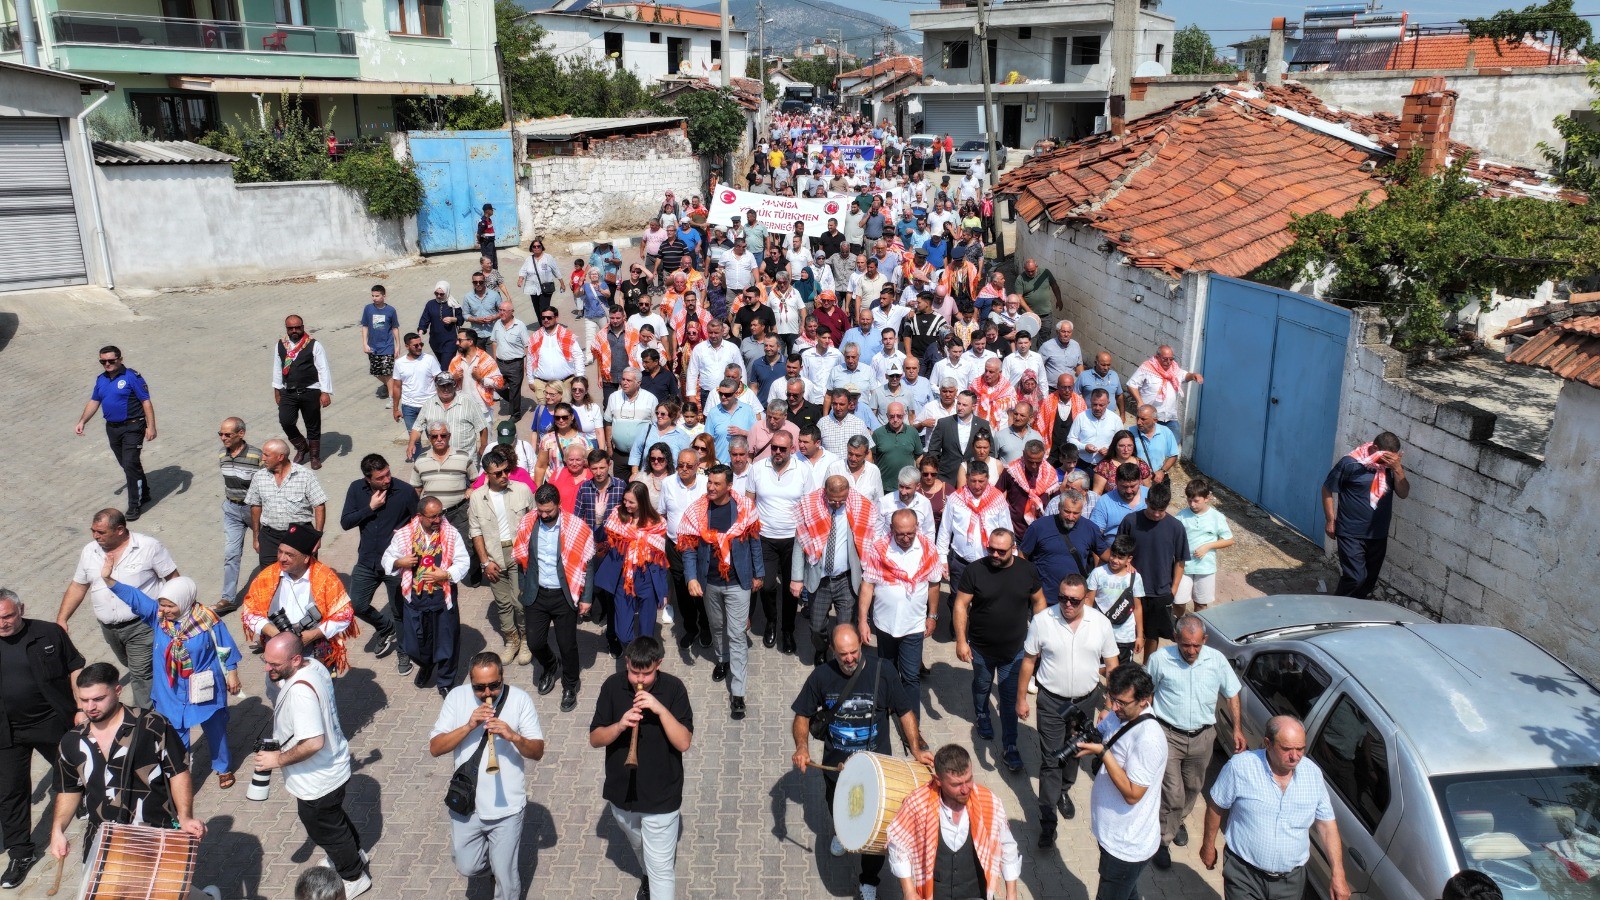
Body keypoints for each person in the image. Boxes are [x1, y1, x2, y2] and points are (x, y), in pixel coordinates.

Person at [792, 625, 932, 900]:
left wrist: (915, 746)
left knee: (876, 828)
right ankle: (842, 832)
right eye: (843, 654)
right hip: (836, 770)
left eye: (854, 652)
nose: (849, 659)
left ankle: (869, 879)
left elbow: (904, 710)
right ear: (833, 651)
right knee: (839, 809)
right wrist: (801, 746)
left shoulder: (884, 672)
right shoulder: (821, 676)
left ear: (861, 646)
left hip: (877, 773)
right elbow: (802, 715)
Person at [49, 664, 204, 870]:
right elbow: (69, 790)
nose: (90, 707)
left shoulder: (153, 725)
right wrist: (58, 830)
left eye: (98, 699)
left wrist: (184, 816)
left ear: (118, 691)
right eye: (84, 700)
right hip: (103, 841)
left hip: (155, 832)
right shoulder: (72, 741)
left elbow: (178, 772)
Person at [98, 569, 241, 789]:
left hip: (204, 688)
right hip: (171, 691)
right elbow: (136, 597)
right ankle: (179, 779)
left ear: (184, 602)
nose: (164, 610)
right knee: (174, 737)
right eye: (162, 604)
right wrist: (110, 580)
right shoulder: (159, 619)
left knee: (215, 728)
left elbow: (224, 646)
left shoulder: (208, 620)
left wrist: (232, 672)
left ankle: (222, 767)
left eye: (170, 606)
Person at [254, 633, 371, 898]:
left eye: (274, 664)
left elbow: (313, 743)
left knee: (325, 828)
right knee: (334, 820)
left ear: (295, 659)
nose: (267, 668)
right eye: (266, 660)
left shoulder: (299, 694)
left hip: (318, 779)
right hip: (332, 768)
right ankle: (354, 854)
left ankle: (353, 876)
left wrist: (277, 759)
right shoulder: (313, 665)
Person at [429, 652, 545, 900]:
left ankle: (502, 872)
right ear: (470, 682)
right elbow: (435, 748)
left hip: (507, 809)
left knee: (507, 878)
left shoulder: (520, 700)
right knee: (466, 865)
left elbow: (537, 751)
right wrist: (468, 726)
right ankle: (493, 863)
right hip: (467, 805)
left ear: (503, 677)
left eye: (494, 685)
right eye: (479, 688)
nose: (488, 693)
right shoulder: (456, 698)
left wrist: (513, 736)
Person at [1015, 574, 1117, 847]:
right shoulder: (1042, 621)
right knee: (1051, 759)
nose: (1067, 604)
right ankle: (1047, 821)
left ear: (1086, 598)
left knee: (1074, 754)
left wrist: (1110, 705)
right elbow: (1028, 661)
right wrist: (1021, 698)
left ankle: (1064, 790)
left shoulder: (1101, 624)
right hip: (1051, 702)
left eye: (1074, 600)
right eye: (1062, 598)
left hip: (1085, 702)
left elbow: (1113, 665)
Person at [588, 636, 693, 900]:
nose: (639, 679)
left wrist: (659, 710)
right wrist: (620, 725)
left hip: (661, 798)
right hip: (622, 795)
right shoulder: (612, 687)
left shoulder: (674, 689)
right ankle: (646, 873)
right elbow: (595, 739)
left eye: (646, 673)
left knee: (661, 869)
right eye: (634, 671)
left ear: (659, 664)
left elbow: (683, 742)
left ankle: (653, 880)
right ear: (626, 663)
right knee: (640, 847)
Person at [1201, 715, 1350, 900]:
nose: (1295, 756)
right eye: (1287, 749)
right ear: (1267, 743)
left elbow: (1327, 826)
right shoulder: (1241, 768)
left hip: (1290, 882)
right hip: (1244, 874)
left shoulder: (1313, 775)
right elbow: (1217, 805)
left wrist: (1338, 874)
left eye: (1300, 749)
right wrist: (1208, 845)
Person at [0, 590, 83, 889]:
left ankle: (88, 807)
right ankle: (21, 853)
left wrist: (80, 706)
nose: (3, 623)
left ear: (21, 608)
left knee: (77, 770)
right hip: (7, 731)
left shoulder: (48, 633)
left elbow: (75, 664)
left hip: (51, 721)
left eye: (8, 615)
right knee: (10, 793)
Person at [1147, 614, 1244, 870]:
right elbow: (1146, 694)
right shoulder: (1159, 660)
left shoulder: (1217, 661)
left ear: (1205, 640)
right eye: (1186, 645)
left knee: (1193, 786)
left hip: (1202, 737)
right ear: (1176, 638)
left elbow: (1232, 693)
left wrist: (1237, 729)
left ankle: (1177, 821)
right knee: (1173, 792)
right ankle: (1162, 840)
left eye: (1197, 645)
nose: (1191, 651)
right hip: (1168, 735)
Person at [59, 509, 177, 710]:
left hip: (142, 626)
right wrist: (62, 618)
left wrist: (174, 612)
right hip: (109, 629)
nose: (95, 536)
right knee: (132, 665)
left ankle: (145, 723)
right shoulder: (90, 551)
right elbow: (78, 585)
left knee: (141, 675)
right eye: (93, 531)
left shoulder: (148, 547)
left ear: (120, 530)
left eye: (101, 532)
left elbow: (173, 580)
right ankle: (164, 690)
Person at [952, 528, 1045, 773]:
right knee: (982, 685)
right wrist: (961, 641)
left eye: (1000, 551)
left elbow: (1039, 602)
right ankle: (982, 715)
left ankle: (1010, 745)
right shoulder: (975, 570)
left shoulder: (1027, 571)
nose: (994, 553)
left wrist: (1042, 638)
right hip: (981, 648)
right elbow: (961, 605)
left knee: (1008, 698)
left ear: (1013, 548)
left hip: (1015, 650)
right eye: (990, 548)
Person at [884, 743, 1022, 900]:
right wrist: (909, 890)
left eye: (968, 780)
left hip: (976, 894)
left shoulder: (988, 802)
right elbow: (898, 845)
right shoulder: (917, 803)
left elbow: (1008, 847)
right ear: (938, 780)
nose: (965, 789)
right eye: (956, 784)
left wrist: (1012, 894)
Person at [678, 464, 762, 719]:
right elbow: (689, 548)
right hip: (710, 583)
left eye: (717, 484)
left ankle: (738, 693)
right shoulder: (698, 510)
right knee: (716, 627)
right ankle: (722, 659)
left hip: (738, 582)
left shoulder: (745, 509)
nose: (711, 488)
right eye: (709, 483)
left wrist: (759, 573)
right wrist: (691, 577)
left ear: (729, 486)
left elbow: (755, 541)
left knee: (736, 633)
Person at [1081, 662, 1167, 900]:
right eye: (1111, 698)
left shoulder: (1148, 738)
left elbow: (1132, 794)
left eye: (1121, 702)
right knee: (1127, 893)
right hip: (1112, 836)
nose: (1114, 707)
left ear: (1144, 699)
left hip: (1126, 846)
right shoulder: (1120, 715)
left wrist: (1102, 753)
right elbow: (1104, 733)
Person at [513, 483, 595, 713]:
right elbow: (521, 558)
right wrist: (523, 587)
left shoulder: (577, 527)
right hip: (537, 594)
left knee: (567, 645)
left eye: (549, 510)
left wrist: (586, 598)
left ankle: (570, 685)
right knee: (535, 642)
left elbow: (587, 563)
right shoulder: (529, 523)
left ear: (559, 505)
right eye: (540, 510)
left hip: (563, 595)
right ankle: (550, 666)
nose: (544, 515)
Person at [858, 509, 942, 726]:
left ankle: (913, 727)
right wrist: (862, 621)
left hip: (914, 625)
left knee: (911, 677)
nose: (905, 539)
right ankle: (885, 709)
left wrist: (932, 615)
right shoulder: (879, 550)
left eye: (909, 534)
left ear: (916, 528)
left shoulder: (928, 550)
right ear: (891, 530)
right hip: (884, 625)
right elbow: (868, 585)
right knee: (887, 669)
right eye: (900, 534)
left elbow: (934, 584)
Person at [240, 524, 358, 677]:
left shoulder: (326, 579)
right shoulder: (266, 577)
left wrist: (313, 634)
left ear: (306, 558)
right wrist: (274, 632)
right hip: (279, 652)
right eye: (280, 552)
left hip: (315, 650)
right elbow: (250, 612)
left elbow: (344, 615)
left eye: (289, 554)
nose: (282, 558)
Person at [794, 476, 881, 667]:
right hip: (820, 579)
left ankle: (841, 660)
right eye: (833, 499)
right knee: (817, 627)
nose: (838, 503)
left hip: (846, 580)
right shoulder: (811, 506)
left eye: (842, 499)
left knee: (845, 626)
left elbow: (871, 540)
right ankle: (821, 649)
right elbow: (799, 542)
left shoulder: (859, 508)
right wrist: (796, 578)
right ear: (825, 492)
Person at [338, 454, 413, 667]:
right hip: (367, 561)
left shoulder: (405, 491)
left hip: (396, 564)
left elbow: (418, 522)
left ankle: (404, 651)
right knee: (357, 605)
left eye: (388, 473)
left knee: (400, 612)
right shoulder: (356, 489)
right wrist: (369, 508)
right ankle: (384, 628)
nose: (387, 480)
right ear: (367, 479)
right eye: (380, 477)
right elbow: (345, 522)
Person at [1321, 432, 1409, 599]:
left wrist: (1398, 469)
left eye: (1393, 458)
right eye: (1386, 457)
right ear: (1375, 449)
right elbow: (1327, 489)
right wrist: (1330, 520)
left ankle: (1355, 612)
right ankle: (1335, 608)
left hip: (1378, 533)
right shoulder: (1350, 464)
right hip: (1351, 532)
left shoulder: (1390, 468)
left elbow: (1403, 493)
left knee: (1369, 581)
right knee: (1355, 577)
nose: (1388, 461)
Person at [76, 345, 157, 519]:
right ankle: (145, 492)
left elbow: (146, 402)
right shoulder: (101, 379)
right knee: (128, 464)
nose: (107, 364)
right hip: (112, 428)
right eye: (103, 361)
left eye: (111, 361)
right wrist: (83, 421)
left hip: (133, 427)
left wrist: (151, 427)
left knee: (129, 464)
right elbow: (94, 401)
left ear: (120, 359)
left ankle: (134, 505)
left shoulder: (132, 377)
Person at [596, 482, 670, 645]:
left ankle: (643, 666)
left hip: (647, 579)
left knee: (646, 635)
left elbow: (661, 561)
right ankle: (632, 653)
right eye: (625, 500)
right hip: (623, 580)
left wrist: (663, 591)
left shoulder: (658, 524)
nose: (626, 505)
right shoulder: (617, 516)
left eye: (631, 502)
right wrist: (599, 518)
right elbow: (600, 539)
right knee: (623, 634)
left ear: (642, 502)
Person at [1122, 481, 1189, 658]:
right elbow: (1120, 551)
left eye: (1162, 510)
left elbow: (1180, 561)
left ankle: (1147, 667)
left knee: (1152, 634)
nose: (1157, 514)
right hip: (1131, 589)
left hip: (1160, 591)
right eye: (1153, 509)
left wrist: (1173, 589)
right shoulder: (1130, 521)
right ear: (1146, 501)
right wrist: (1125, 564)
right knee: (1128, 631)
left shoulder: (1176, 527)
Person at [576, 448, 628, 655]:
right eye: (594, 468)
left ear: (609, 465)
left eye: (602, 467)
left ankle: (612, 635)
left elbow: (628, 515)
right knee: (596, 587)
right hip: (591, 546)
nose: (598, 472)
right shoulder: (584, 488)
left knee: (613, 591)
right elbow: (578, 517)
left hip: (615, 548)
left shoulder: (621, 486)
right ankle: (601, 611)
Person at [247, 437, 330, 568]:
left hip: (300, 535)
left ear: (280, 457)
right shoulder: (259, 477)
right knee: (269, 579)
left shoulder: (305, 476)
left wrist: (317, 537)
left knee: (303, 576)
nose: (262, 458)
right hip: (270, 537)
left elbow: (319, 505)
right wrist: (256, 537)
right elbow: (255, 506)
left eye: (267, 455)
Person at [935, 467, 1012, 605]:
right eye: (973, 481)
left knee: (985, 603)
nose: (977, 485)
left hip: (990, 562)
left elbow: (1007, 530)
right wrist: (942, 559)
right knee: (957, 602)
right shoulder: (955, 499)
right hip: (960, 562)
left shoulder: (998, 499)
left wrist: (1011, 557)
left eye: (981, 481)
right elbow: (945, 530)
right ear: (966, 478)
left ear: (988, 478)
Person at [213, 418, 263, 614]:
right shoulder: (222, 455)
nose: (223, 438)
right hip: (231, 510)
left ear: (241, 434)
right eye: (221, 434)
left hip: (255, 510)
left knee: (268, 551)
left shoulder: (256, 456)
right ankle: (229, 599)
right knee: (231, 554)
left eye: (227, 435)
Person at [272, 315, 334, 470]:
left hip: (310, 390)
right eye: (290, 328)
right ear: (286, 328)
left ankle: (314, 456)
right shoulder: (281, 345)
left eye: (297, 327)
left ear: (303, 326)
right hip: (288, 391)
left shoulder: (313, 345)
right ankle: (301, 446)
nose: (294, 331)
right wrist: (277, 390)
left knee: (312, 424)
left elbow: (323, 369)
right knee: (285, 421)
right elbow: (277, 369)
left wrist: (325, 391)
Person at [1019, 489, 1108, 596]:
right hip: (1044, 596)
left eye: (1076, 513)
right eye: (1067, 511)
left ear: (1082, 510)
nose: (1071, 517)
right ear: (1059, 507)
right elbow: (1023, 555)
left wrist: (1126, 563)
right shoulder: (1039, 527)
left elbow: (1106, 555)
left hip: (1074, 598)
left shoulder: (1090, 528)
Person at [1174, 477, 1234, 615]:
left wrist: (1207, 546)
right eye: (1189, 500)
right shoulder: (1182, 516)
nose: (1192, 504)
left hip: (1205, 567)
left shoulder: (1216, 517)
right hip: (1184, 567)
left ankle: (1198, 628)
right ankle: (1180, 623)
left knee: (1201, 602)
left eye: (1196, 501)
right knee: (1179, 601)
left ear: (1207, 498)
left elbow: (1229, 540)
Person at [1086, 535, 1145, 663]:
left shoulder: (1135, 577)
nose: (1115, 560)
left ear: (1129, 559)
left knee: (1123, 674)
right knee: (1099, 668)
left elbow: (1138, 607)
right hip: (1100, 632)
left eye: (1120, 558)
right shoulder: (1098, 573)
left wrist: (1139, 635)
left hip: (1125, 636)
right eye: (1113, 555)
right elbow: (1088, 602)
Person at [410, 373, 491, 463]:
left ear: (454, 385)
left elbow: (482, 427)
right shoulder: (429, 404)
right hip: (439, 461)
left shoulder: (468, 401)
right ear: (436, 386)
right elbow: (417, 427)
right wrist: (411, 443)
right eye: (442, 386)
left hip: (465, 460)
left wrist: (483, 446)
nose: (446, 389)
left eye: (449, 385)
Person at [391, 333, 443, 458]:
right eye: (416, 345)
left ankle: (438, 460)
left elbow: (439, 381)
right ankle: (419, 464)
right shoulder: (399, 363)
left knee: (435, 436)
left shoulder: (429, 359)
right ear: (407, 346)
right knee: (414, 438)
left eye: (421, 344)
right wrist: (395, 409)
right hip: (409, 407)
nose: (419, 347)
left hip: (429, 405)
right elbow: (397, 387)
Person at [926, 390, 989, 487]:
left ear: (973, 406)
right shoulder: (944, 423)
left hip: (973, 480)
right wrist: (938, 471)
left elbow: (990, 450)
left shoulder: (982, 425)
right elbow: (933, 450)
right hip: (946, 478)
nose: (960, 407)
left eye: (964, 405)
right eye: (958, 404)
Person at [996, 440, 1060, 534]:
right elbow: (997, 493)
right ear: (1023, 454)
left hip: (1041, 529)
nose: (1034, 466)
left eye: (1038, 462)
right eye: (1030, 462)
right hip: (1015, 529)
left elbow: (1056, 501)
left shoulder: (1050, 473)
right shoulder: (1012, 471)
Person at [487, 301, 530, 421]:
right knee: (498, 386)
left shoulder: (520, 325)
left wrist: (527, 363)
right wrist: (495, 360)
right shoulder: (497, 324)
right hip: (501, 363)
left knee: (515, 389)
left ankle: (515, 414)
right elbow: (494, 341)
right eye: (500, 310)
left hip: (516, 363)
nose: (501, 313)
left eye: (504, 310)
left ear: (512, 312)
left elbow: (527, 345)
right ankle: (515, 401)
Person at [360, 285, 400, 400]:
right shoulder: (368, 309)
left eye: (377, 296)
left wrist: (397, 346)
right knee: (376, 372)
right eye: (373, 296)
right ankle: (391, 385)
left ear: (384, 296)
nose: (374, 298)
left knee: (387, 372)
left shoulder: (390, 310)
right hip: (373, 347)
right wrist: (364, 343)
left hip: (387, 346)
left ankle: (392, 398)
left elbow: (395, 328)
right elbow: (365, 326)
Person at [1067, 389, 1122, 469]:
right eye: (1094, 404)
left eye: (1101, 405)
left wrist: (1110, 450)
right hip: (1081, 462)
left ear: (1108, 403)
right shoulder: (1081, 417)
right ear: (1090, 401)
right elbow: (1070, 439)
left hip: (1106, 464)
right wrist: (1084, 447)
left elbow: (1121, 442)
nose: (1097, 408)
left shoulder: (1115, 419)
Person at [1131, 405, 1180, 484]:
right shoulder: (1130, 432)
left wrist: (1162, 471)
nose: (1138, 422)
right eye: (1137, 418)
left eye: (1143, 419)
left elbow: (1173, 455)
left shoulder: (1165, 432)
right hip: (1137, 481)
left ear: (1155, 420)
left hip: (1159, 479)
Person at [518, 237, 562, 318]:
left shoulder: (548, 257)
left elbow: (556, 270)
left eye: (538, 246)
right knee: (537, 308)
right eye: (534, 246)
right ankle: (542, 326)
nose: (536, 248)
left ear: (542, 247)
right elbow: (523, 270)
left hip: (546, 287)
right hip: (532, 287)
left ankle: (546, 324)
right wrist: (520, 279)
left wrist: (562, 283)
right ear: (531, 248)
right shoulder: (529, 259)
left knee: (544, 308)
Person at [1078, 352, 1124, 417]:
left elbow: (1119, 396)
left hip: (1109, 418)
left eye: (1108, 365)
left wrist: (1122, 415)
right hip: (1089, 417)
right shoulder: (1084, 376)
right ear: (1096, 363)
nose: (1106, 368)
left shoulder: (1114, 375)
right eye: (1103, 365)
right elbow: (1075, 396)